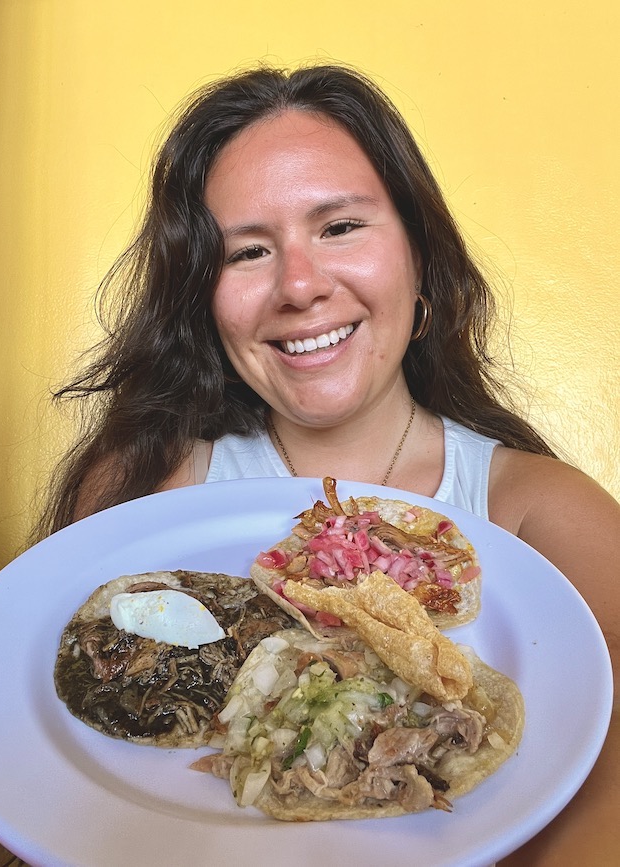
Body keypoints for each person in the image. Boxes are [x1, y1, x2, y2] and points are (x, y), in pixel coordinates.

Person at [33, 64, 618, 861]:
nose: (299, 285)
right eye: (246, 251)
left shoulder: (544, 512)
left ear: (420, 258)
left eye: (340, 226)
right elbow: (48, 780)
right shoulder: (146, 484)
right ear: (204, 298)